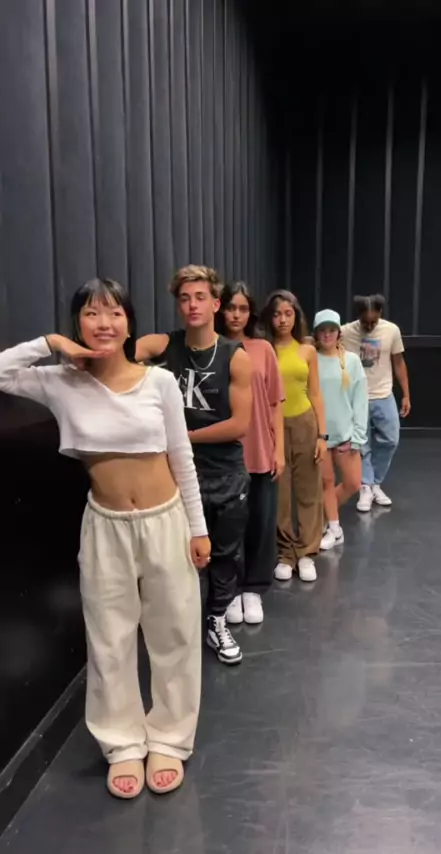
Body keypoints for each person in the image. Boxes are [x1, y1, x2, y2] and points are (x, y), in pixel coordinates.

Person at [0, 278, 210, 800]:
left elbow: (182, 458)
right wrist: (50, 343)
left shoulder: (159, 382)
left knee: (175, 634)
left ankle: (169, 738)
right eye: (91, 314)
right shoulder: (60, 382)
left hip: (165, 521)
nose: (104, 323)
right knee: (109, 639)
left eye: (114, 312)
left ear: (129, 322)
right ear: (77, 323)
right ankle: (122, 743)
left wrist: (198, 527)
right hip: (105, 526)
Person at [136, 266, 252, 665]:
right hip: (176, 474)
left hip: (224, 472)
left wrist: (183, 438)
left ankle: (216, 620)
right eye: (184, 299)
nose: (192, 305)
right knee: (175, 557)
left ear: (216, 304)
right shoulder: (165, 345)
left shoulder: (236, 357)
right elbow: (123, 352)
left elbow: (240, 424)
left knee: (224, 553)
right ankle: (179, 628)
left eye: (200, 297)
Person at [216, 281, 284, 625]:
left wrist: (279, 449)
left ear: (251, 313)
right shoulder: (211, 348)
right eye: (231, 307)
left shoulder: (263, 349)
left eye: (243, 309)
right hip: (222, 454)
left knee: (260, 521)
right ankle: (228, 589)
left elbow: (275, 404)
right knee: (228, 527)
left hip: (259, 449)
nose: (236, 315)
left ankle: (253, 588)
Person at [261, 290, 327, 583]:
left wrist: (323, 436)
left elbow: (316, 393)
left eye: (288, 314)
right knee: (281, 492)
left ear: (296, 316)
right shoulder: (265, 349)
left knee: (309, 489)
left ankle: (307, 551)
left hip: (304, 423)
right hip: (273, 425)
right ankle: (285, 553)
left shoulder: (307, 351)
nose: (282, 320)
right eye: (277, 314)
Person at [341, 294, 411, 512]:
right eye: (365, 322)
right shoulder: (345, 332)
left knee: (391, 439)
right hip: (356, 397)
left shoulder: (391, 331)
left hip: (383, 394)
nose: (369, 326)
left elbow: (398, 363)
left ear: (381, 313)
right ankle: (366, 486)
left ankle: (374, 482)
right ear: (358, 316)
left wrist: (406, 394)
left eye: (374, 321)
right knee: (361, 445)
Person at [313, 309, 368, 549]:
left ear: (338, 333)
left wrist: (357, 437)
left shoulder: (352, 361)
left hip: (346, 437)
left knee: (354, 483)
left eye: (331, 330)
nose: (327, 335)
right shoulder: (311, 359)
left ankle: (320, 515)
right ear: (316, 334)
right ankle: (334, 529)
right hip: (320, 436)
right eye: (322, 331)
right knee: (326, 482)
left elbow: (360, 401)